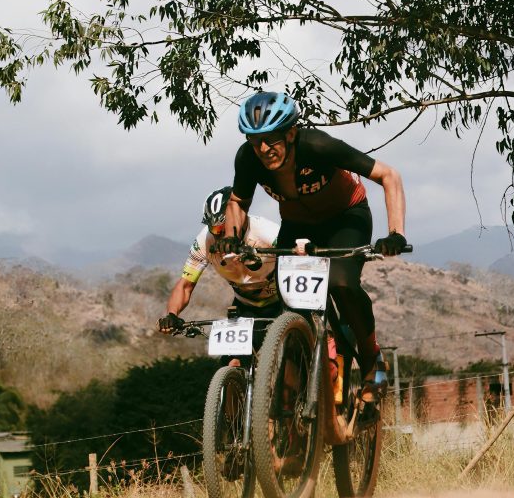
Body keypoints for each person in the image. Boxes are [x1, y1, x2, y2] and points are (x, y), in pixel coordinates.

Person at [220, 91, 408, 396]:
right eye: (255, 142)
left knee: (341, 284)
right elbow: (238, 201)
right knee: (288, 298)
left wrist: (396, 233)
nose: (264, 149)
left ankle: (373, 359)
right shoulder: (248, 159)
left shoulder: (318, 145)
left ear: (291, 133)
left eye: (271, 139)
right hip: (298, 224)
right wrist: (232, 236)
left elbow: (389, 175)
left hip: (346, 217)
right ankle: (312, 367)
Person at [158, 186, 281, 345]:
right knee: (234, 361)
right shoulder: (204, 242)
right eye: (214, 228)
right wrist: (172, 315)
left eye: (223, 228)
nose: (219, 235)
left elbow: (300, 259)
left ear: (240, 217)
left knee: (291, 354)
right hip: (246, 305)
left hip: (283, 301)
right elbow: (185, 285)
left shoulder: (265, 231)